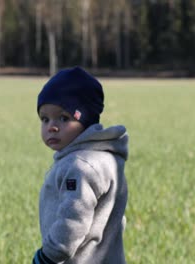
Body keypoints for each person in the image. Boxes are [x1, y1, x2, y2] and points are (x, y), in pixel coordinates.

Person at [32, 66, 129, 264]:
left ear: (85, 120)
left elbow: (73, 221)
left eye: (63, 118)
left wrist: (48, 256)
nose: (52, 126)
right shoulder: (105, 158)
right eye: (45, 118)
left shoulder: (80, 166)